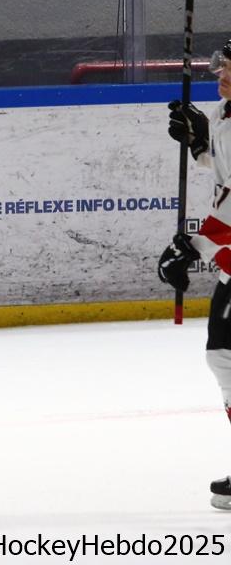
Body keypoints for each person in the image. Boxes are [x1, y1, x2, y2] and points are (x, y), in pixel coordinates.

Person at [158, 39, 231, 511]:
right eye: (222, 67)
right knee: (223, 355)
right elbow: (226, 174)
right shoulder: (225, 112)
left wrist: (193, 247)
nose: (222, 75)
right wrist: (202, 145)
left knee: (225, 356)